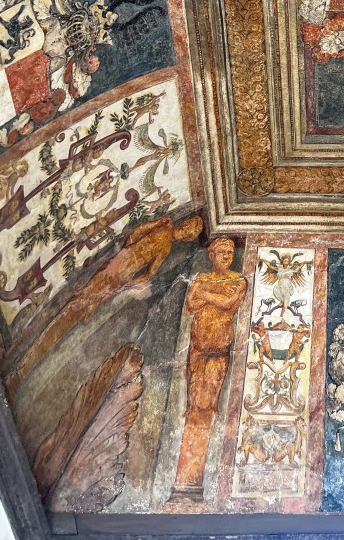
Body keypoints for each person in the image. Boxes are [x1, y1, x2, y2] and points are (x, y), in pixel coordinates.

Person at [7, 215, 204, 392]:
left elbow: (150, 272)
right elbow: (138, 231)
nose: (185, 232)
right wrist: (129, 247)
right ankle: (84, 299)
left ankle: (89, 306)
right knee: (97, 282)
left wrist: (130, 284)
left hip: (127, 270)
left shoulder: (166, 248)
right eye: (188, 227)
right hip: (125, 257)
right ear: (184, 224)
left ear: (187, 239)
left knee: (104, 293)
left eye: (189, 234)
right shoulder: (164, 225)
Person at [170, 237, 247, 502]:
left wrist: (205, 294)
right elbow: (190, 305)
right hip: (197, 350)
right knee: (193, 404)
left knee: (206, 404)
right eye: (221, 252)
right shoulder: (202, 277)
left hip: (217, 351)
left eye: (230, 252)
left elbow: (227, 303)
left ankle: (191, 484)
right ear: (211, 255)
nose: (226, 256)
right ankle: (185, 484)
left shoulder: (238, 280)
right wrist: (210, 295)